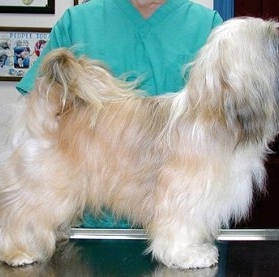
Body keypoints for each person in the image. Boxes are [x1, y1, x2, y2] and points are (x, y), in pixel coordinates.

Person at [16, 0, 223, 228]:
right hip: (92, 225)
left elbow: (228, 124)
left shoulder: (208, 27)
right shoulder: (76, 23)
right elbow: (40, 116)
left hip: (181, 220)